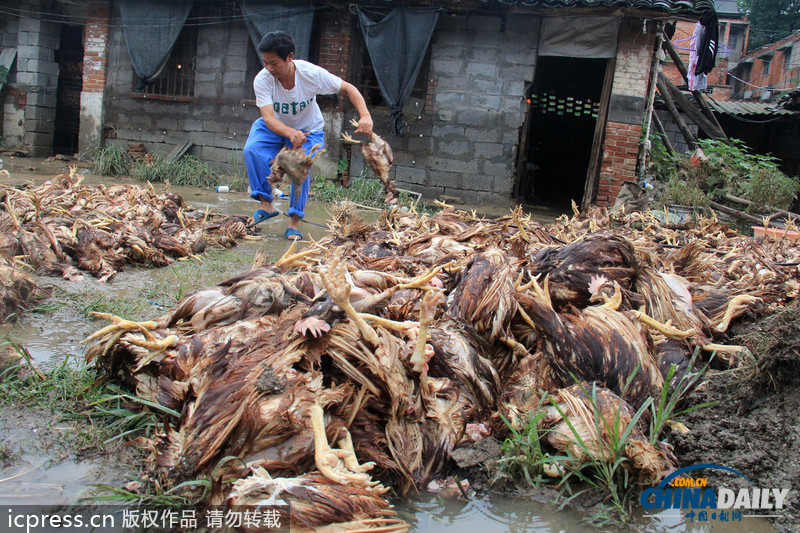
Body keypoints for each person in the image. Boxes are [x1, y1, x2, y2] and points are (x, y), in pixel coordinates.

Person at [244, 31, 374, 240]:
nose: (269, 68)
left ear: (289, 57)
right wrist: (289, 133)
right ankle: (266, 204)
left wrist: (365, 115)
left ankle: (294, 222)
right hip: (275, 126)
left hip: (309, 129)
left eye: (274, 63)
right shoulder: (263, 79)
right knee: (252, 150)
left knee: (300, 168)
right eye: (265, 63)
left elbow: (348, 88)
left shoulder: (311, 74)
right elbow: (268, 119)